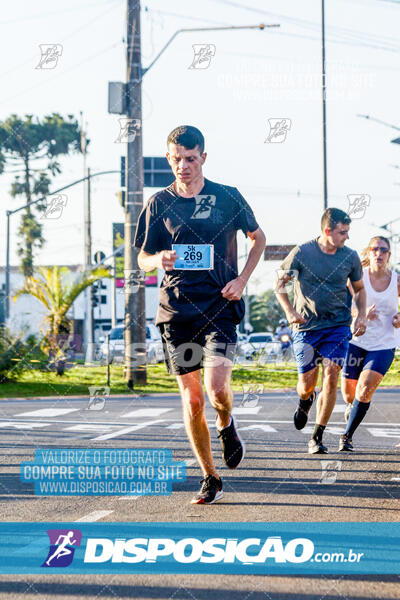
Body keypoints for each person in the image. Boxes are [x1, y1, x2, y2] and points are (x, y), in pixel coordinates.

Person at [134, 125, 266, 503]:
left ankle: (226, 422)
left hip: (219, 306)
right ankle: (210, 477)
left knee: (217, 388)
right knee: (192, 399)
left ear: (203, 158)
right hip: (176, 312)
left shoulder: (227, 197)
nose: (183, 166)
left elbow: (259, 238)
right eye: (176, 159)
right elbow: (142, 259)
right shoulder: (159, 204)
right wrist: (156, 258)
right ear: (168, 158)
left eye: (190, 159)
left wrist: (242, 280)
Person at [275, 208, 367, 454]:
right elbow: (279, 284)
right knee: (306, 384)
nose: (347, 237)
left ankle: (317, 436)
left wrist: (362, 315)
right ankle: (306, 400)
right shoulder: (303, 252)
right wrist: (289, 311)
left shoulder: (350, 256)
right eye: (342, 232)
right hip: (306, 327)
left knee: (331, 372)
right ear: (328, 231)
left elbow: (358, 289)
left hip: (337, 327)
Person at [339, 236, 400, 451]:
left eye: (384, 250)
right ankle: (352, 406)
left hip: (384, 343)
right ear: (369, 252)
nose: (379, 253)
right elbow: (344, 306)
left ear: (389, 255)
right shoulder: (357, 279)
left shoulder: (397, 280)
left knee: (364, 390)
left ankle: (347, 436)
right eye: (375, 249)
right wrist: (360, 313)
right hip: (356, 340)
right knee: (349, 395)